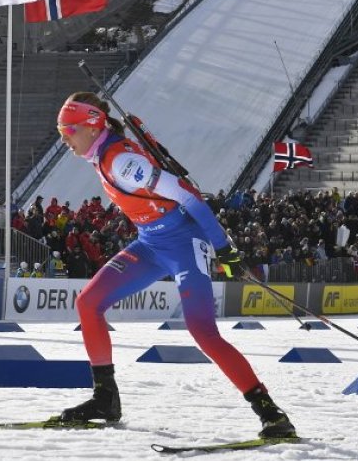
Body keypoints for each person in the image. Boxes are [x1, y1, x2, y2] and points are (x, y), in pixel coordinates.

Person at [53, 93, 295, 438]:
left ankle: (270, 413)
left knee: (202, 331)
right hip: (151, 244)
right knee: (88, 304)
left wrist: (224, 249)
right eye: (61, 130)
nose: (65, 139)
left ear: (93, 126)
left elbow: (189, 196)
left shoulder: (121, 161)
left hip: (183, 244)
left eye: (70, 130)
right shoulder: (100, 153)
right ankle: (105, 398)